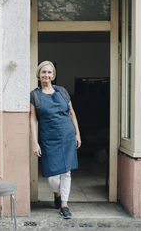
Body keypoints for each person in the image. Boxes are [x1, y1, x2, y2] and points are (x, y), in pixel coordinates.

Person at [30, 60, 81, 219]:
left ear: (53, 75)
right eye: (43, 72)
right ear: (39, 74)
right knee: (52, 176)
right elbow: (32, 119)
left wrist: (77, 134)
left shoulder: (62, 92)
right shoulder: (35, 95)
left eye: (49, 72)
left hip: (67, 136)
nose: (46, 75)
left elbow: (72, 113)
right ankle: (57, 193)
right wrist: (34, 141)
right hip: (48, 138)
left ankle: (64, 204)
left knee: (66, 172)